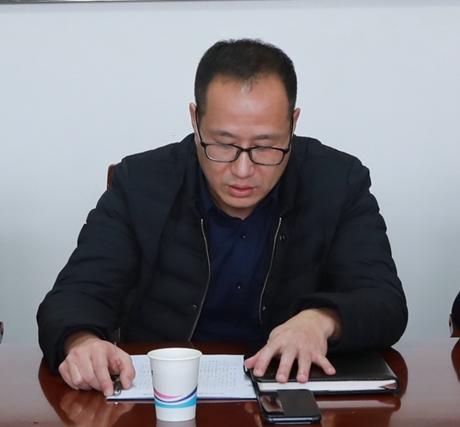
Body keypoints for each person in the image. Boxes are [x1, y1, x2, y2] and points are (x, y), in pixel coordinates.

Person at [37, 38, 408, 396]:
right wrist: (81, 342)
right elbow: (75, 294)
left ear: (293, 124)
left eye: (265, 146)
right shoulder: (141, 184)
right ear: (195, 119)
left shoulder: (338, 182)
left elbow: (385, 302)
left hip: (289, 392)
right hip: (166, 397)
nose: (243, 170)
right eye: (223, 144)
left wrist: (322, 320)